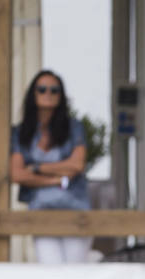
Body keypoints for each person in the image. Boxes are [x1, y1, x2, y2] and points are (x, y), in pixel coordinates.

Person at [9, 70, 91, 263]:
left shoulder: (74, 127)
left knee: (75, 270)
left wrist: (37, 168)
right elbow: (17, 174)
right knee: (50, 268)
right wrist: (57, 178)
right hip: (40, 209)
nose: (48, 94)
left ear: (61, 96)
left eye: (54, 90)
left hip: (75, 208)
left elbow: (77, 164)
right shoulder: (21, 132)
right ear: (33, 94)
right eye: (42, 89)